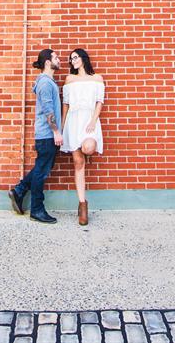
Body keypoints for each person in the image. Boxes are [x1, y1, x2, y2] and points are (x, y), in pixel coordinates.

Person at [7, 48, 62, 223]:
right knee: (41, 172)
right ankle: (37, 209)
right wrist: (56, 131)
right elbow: (48, 111)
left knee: (41, 168)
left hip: (46, 135)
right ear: (48, 62)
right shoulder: (45, 83)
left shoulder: (48, 82)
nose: (59, 60)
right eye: (56, 57)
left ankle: (19, 191)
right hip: (47, 134)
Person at [60, 47, 104, 226]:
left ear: (84, 58)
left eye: (76, 57)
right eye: (71, 59)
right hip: (73, 121)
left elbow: (99, 102)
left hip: (89, 120)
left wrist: (93, 120)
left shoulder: (97, 78)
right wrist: (62, 128)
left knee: (88, 147)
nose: (73, 61)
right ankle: (82, 204)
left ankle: (82, 204)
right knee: (78, 163)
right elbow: (66, 105)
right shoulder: (70, 79)